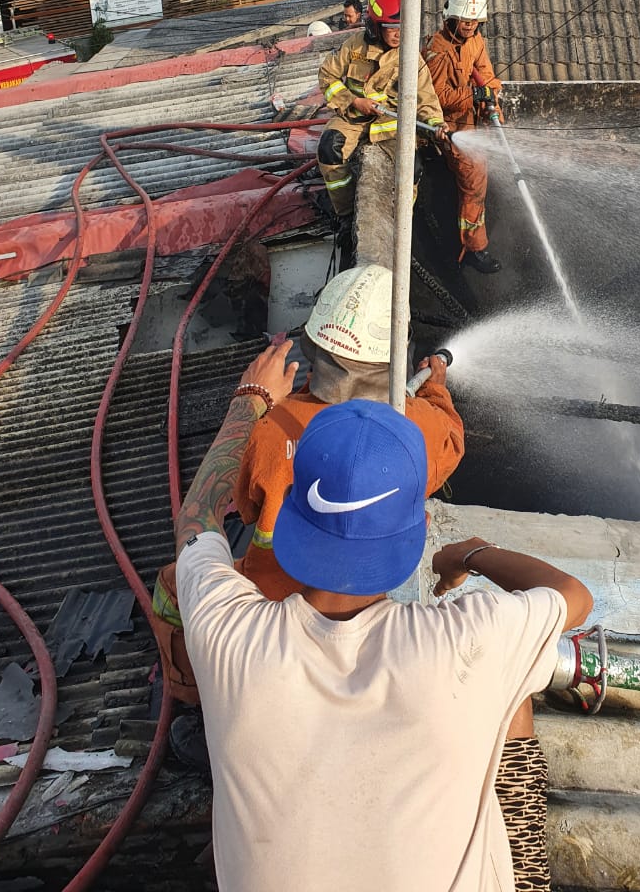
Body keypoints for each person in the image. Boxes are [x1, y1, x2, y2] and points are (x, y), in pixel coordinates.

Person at [175, 341, 593, 892]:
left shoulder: (227, 632)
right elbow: (572, 595)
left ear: (293, 513)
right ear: (416, 525)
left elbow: (197, 518)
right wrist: (470, 554)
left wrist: (250, 400)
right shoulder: (468, 640)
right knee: (511, 687)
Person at [233, 262, 464, 600]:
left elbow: (246, 507)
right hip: (363, 595)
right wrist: (435, 391)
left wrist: (259, 401)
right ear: (395, 354)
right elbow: (451, 442)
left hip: (269, 596)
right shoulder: (417, 426)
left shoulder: (270, 428)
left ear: (313, 344)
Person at [317, 0, 446, 228]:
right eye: (392, 28)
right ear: (375, 26)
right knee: (328, 147)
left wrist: (436, 123)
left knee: (413, 168)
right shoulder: (354, 46)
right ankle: (344, 214)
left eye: (403, 28)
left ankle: (401, 222)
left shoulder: (410, 57)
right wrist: (354, 101)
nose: (399, 34)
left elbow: (425, 97)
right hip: (352, 117)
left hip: (390, 125)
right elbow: (327, 77)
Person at [424, 0, 504, 274]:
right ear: (451, 19)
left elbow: (486, 74)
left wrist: (490, 96)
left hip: (472, 118)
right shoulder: (438, 51)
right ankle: (473, 248)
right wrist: (474, 96)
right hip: (448, 125)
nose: (471, 26)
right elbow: (437, 99)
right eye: (466, 21)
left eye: (475, 21)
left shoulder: (475, 41)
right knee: (474, 175)